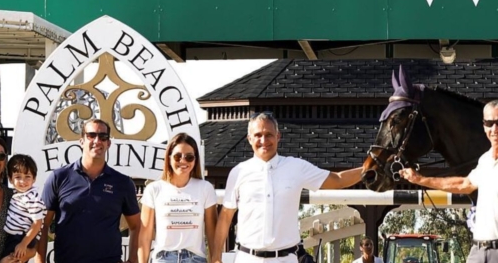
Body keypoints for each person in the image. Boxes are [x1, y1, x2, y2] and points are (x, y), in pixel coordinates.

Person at [399, 100, 498, 263]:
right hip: (477, 252)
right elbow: (464, 184)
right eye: (489, 123)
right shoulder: (485, 160)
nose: (495, 129)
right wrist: (419, 179)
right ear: (484, 126)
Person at [211, 112, 365, 263]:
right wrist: (216, 257)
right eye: (258, 135)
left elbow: (337, 180)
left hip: (286, 258)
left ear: (278, 136)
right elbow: (225, 217)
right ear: (249, 139)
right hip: (247, 258)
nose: (264, 140)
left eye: (269, 134)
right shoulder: (238, 172)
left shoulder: (296, 167)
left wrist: (370, 167)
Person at [36, 119, 142, 263]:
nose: (97, 141)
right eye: (91, 135)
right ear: (81, 141)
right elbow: (42, 224)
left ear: (108, 143)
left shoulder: (122, 182)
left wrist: (133, 260)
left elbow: (136, 226)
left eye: (103, 137)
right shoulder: (58, 177)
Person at [138, 133, 217, 263]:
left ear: (195, 160)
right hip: (163, 258)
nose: (183, 161)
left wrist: (216, 259)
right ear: (169, 158)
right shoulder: (154, 189)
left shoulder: (205, 188)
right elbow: (145, 236)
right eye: (177, 156)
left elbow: (212, 232)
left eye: (189, 157)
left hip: (195, 259)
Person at [1, 154, 45, 263]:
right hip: (14, 237)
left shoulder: (31, 197)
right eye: (18, 177)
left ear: (34, 178)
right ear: (10, 179)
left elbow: (38, 223)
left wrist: (23, 244)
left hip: (21, 238)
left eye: (27, 177)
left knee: (7, 260)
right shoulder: (17, 194)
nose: (22, 181)